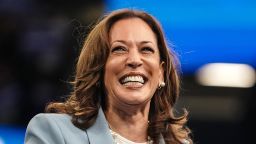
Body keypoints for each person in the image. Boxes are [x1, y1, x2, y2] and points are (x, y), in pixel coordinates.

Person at [24, 9, 192, 144]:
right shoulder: (53, 131)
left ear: (161, 72)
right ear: (98, 69)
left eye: (146, 49)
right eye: (119, 49)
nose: (134, 60)